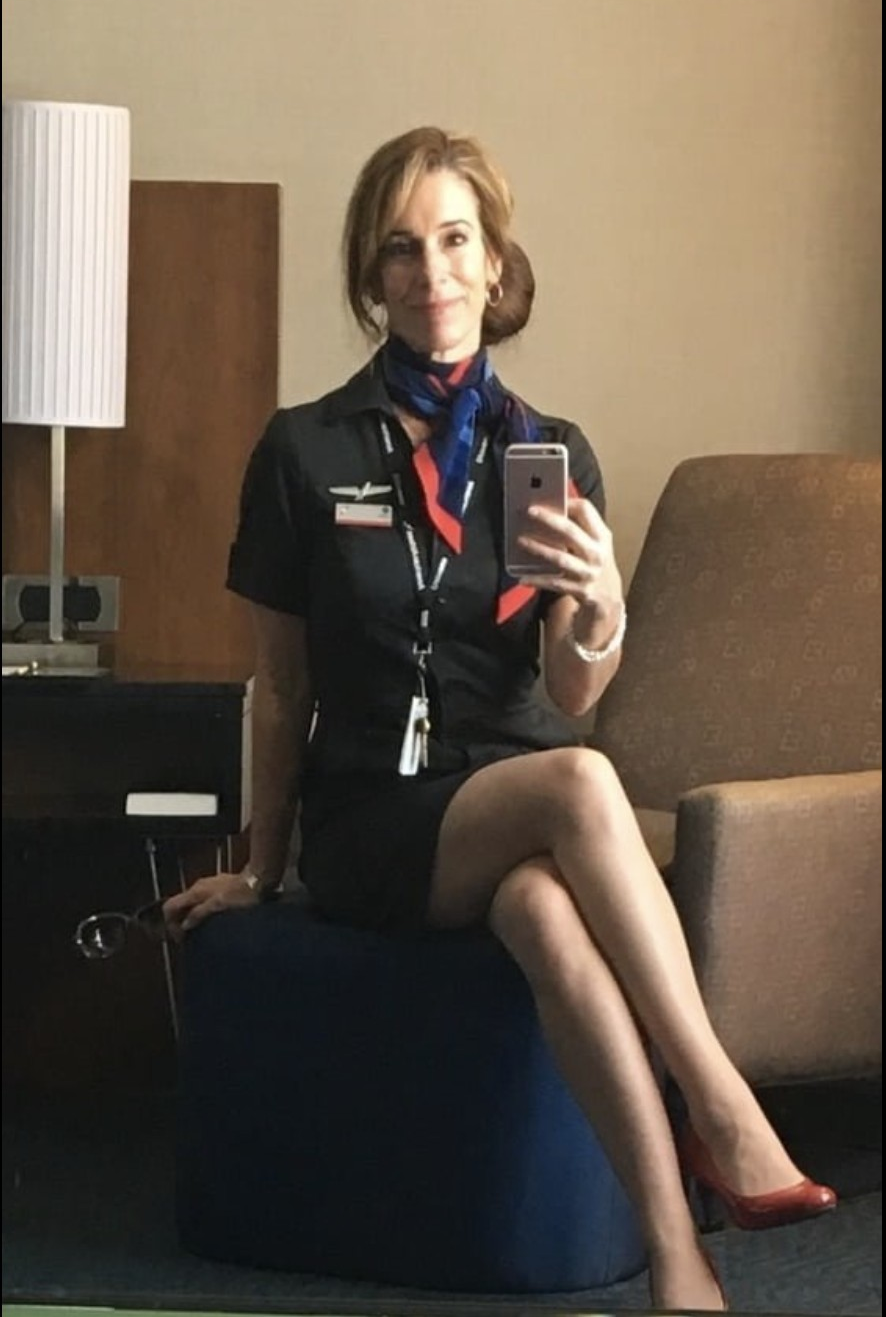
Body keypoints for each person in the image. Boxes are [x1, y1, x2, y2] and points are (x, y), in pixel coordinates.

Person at [164, 126, 836, 1311]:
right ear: (371, 277)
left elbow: (570, 691)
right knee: (579, 781)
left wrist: (603, 606)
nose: (431, 272)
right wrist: (265, 867)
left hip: (508, 804)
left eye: (454, 240)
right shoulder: (304, 450)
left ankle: (675, 1256)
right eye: (401, 248)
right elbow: (285, 684)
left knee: (543, 909)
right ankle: (722, 1102)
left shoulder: (546, 453)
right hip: (376, 821)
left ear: (493, 263)